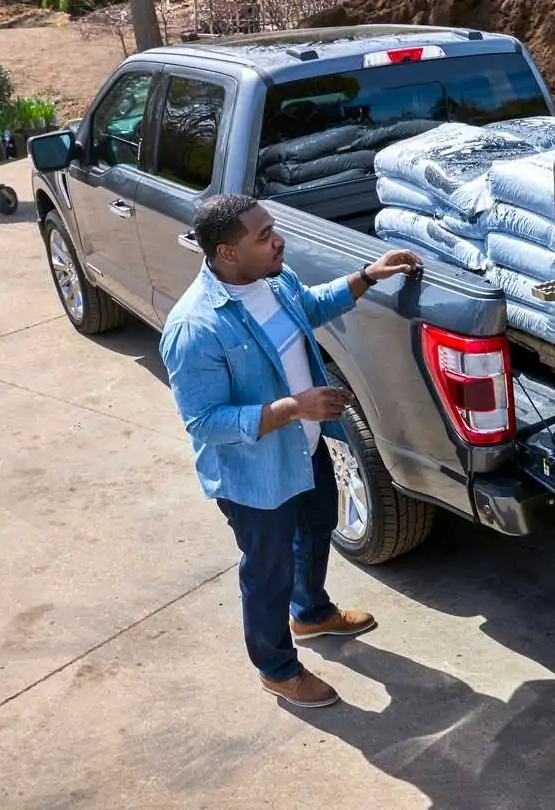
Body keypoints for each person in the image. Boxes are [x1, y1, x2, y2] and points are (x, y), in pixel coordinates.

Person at [159, 193, 420, 708]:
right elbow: (204, 423)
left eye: (272, 228)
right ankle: (276, 667)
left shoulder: (275, 279)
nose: (278, 240)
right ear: (227, 253)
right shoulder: (196, 328)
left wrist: (369, 275)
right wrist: (293, 408)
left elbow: (312, 305)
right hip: (255, 476)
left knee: (316, 529)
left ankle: (312, 612)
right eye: (263, 236)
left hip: (304, 451)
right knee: (267, 571)